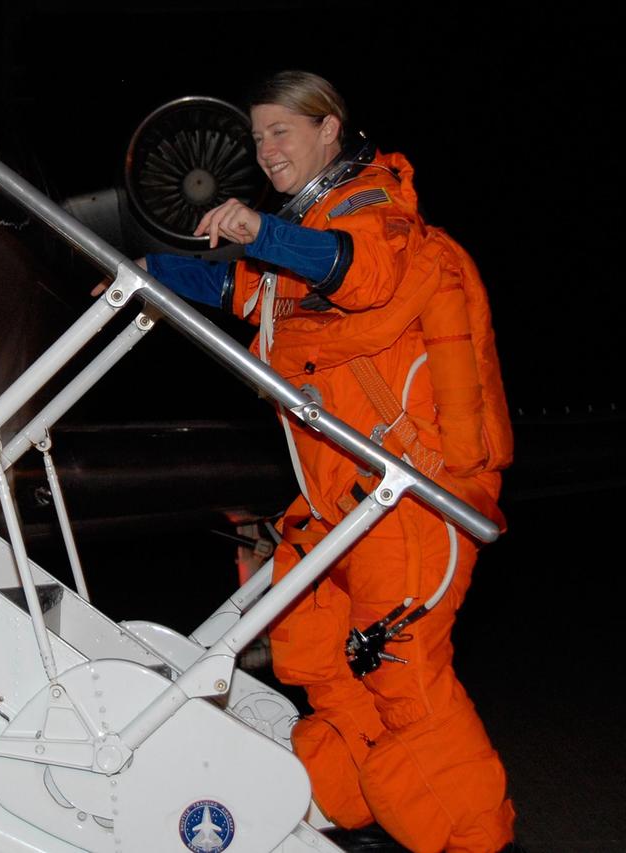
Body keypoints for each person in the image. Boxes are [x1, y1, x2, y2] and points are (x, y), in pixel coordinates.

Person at [139, 71, 517, 853]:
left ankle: (480, 843)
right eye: (257, 136)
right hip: (339, 511)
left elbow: (355, 269)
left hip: (409, 505)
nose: (265, 149)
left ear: (330, 130)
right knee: (320, 666)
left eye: (282, 131)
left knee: (405, 677)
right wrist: (135, 263)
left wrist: (261, 232)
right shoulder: (294, 251)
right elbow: (237, 286)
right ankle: (368, 819)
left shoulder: (384, 226)